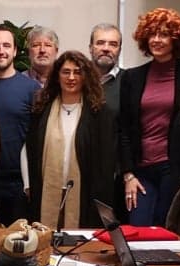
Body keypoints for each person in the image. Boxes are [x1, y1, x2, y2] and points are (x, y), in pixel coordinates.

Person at [116, 7, 180, 225]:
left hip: (173, 166)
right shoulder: (132, 77)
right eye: (152, 34)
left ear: (175, 40)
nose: (156, 40)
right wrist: (128, 174)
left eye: (164, 34)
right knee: (138, 226)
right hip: (140, 169)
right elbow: (124, 129)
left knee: (165, 225)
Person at [25, 51, 118, 229]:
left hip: (84, 193)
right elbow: (30, 150)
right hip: (47, 189)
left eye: (77, 72)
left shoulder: (99, 112)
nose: (71, 77)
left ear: (86, 76)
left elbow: (105, 161)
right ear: (57, 76)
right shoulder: (42, 109)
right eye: (66, 72)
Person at [0, 24, 40, 225]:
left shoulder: (32, 89)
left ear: (14, 51)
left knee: (18, 246)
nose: (1, 51)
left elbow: (38, 137)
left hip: (19, 184)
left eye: (6, 45)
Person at [89, 23, 124, 102]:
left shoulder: (128, 81)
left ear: (119, 51)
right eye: (100, 43)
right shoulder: (77, 78)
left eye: (113, 44)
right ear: (90, 48)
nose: (106, 48)